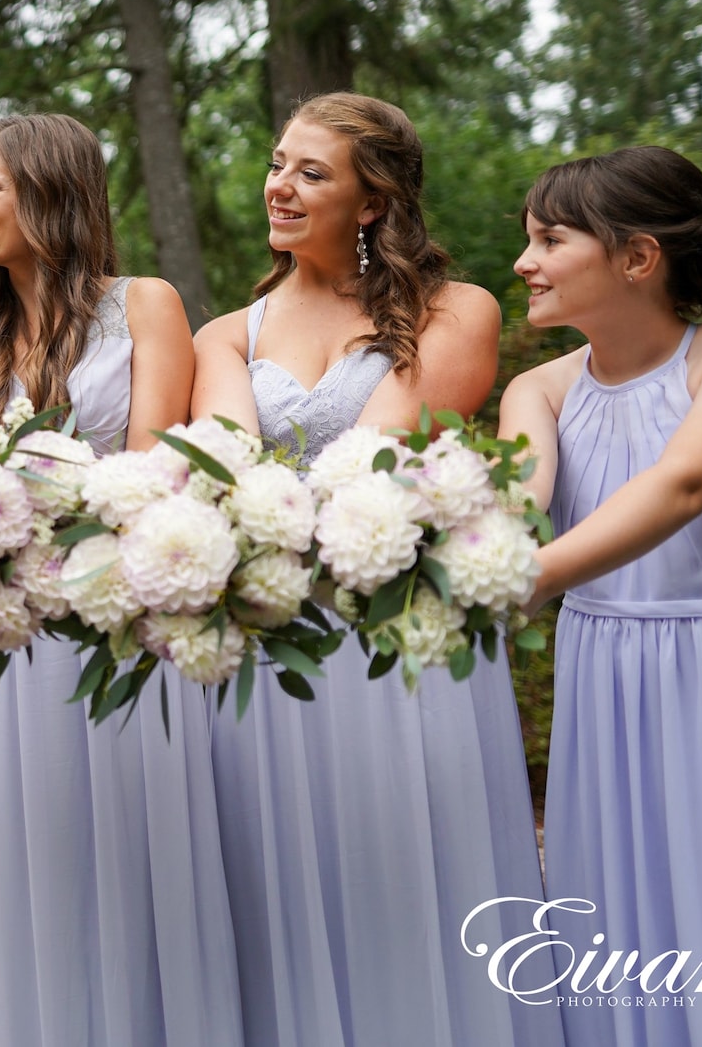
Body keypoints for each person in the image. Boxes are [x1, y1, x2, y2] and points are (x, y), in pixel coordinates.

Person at [188, 93, 560, 1047]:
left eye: (312, 172)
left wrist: (268, 509)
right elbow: (226, 467)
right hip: (273, 643)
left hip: (397, 636)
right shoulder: (227, 333)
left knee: (408, 877)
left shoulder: (456, 310)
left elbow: (384, 452)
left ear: (371, 200)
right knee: (279, 885)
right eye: (278, 163)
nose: (280, 184)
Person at [499, 146, 702, 1047]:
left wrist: (530, 579)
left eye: (549, 239)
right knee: (632, 912)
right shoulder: (538, 389)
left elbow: (683, 486)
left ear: (637, 257)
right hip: (614, 684)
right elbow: (517, 506)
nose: (523, 262)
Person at [0, 113, 225, 1046]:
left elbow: (150, 472)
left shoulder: (146, 307)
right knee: (8, 866)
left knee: (122, 865)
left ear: (49, 194)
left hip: (106, 626)